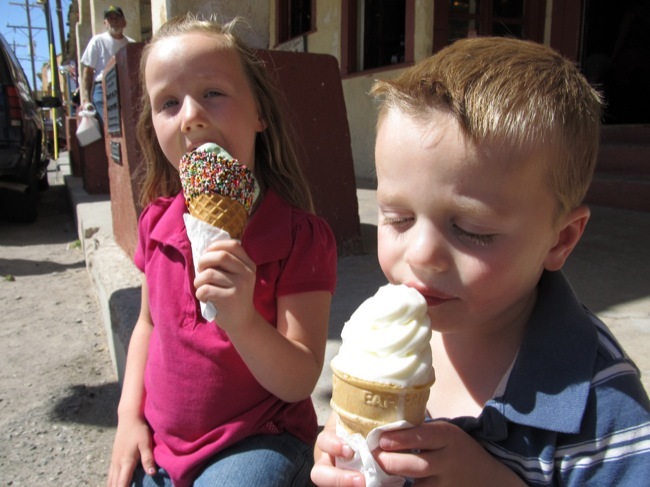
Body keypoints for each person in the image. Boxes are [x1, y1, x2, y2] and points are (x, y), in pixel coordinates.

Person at [311, 37, 650, 486]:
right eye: (398, 218)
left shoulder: (600, 401)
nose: (421, 254)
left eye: (472, 230)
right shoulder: (379, 340)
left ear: (561, 239)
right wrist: (337, 451)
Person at [106, 14, 337, 487]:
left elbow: (300, 378)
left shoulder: (299, 238)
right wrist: (129, 416)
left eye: (212, 92)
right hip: (164, 445)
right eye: (169, 103)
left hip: (259, 439)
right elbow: (148, 325)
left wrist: (243, 320)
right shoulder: (156, 224)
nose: (191, 115)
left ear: (259, 114)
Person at [79, 5, 134, 126]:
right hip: (102, 89)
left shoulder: (131, 44)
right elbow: (87, 72)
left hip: (125, 88)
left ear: (124, 22)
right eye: (110, 18)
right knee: (109, 127)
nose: (114, 20)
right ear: (105, 23)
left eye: (117, 17)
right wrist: (85, 100)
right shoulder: (97, 41)